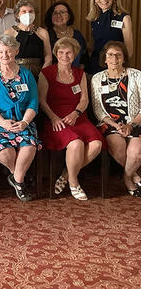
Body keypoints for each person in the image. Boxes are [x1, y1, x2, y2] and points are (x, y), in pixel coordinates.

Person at [38, 37, 104, 200]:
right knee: (76, 144)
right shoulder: (46, 73)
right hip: (55, 118)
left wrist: (76, 113)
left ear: (74, 55)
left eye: (68, 53)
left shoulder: (79, 73)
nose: (64, 56)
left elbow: (84, 100)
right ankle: (74, 183)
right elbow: (41, 100)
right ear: (56, 54)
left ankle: (66, 174)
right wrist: (54, 118)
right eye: (61, 52)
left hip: (77, 117)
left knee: (96, 144)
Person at [0, 34, 41, 201]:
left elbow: (33, 102)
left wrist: (25, 122)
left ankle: (17, 181)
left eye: (8, 51)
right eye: (0, 52)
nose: (4, 55)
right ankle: (19, 177)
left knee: (29, 146)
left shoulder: (26, 75)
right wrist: (3, 123)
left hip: (22, 120)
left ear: (16, 51)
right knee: (6, 151)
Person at [91, 41, 141, 197]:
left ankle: (127, 177)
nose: (114, 58)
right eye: (110, 55)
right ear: (104, 58)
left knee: (136, 153)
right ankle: (134, 177)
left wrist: (130, 125)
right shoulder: (97, 79)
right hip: (110, 124)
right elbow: (98, 110)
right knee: (118, 147)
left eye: (119, 55)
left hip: (135, 121)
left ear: (124, 58)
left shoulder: (136, 75)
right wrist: (116, 125)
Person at [86, 0, 133, 74]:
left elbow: (129, 50)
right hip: (96, 65)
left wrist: (117, 65)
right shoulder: (94, 20)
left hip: (115, 65)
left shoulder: (124, 18)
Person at [4, 0, 51, 78]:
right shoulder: (9, 33)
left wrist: (42, 75)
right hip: (15, 73)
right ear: (17, 15)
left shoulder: (43, 32)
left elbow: (48, 57)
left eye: (31, 11)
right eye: (24, 11)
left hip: (39, 73)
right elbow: (5, 56)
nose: (28, 14)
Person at [44, 1, 87, 68]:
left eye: (62, 12)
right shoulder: (46, 35)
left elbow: (84, 58)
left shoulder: (77, 35)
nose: (58, 15)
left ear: (69, 16)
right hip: (52, 74)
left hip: (76, 73)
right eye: (55, 13)